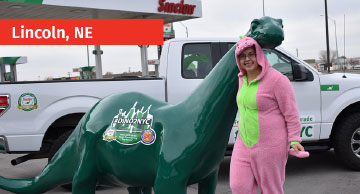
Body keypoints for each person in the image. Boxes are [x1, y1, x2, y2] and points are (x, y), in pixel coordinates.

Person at [229, 36, 306, 194]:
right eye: (242, 56)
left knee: (271, 190)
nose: (247, 59)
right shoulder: (241, 79)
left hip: (270, 147)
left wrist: (294, 140)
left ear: (259, 54)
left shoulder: (277, 80)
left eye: (251, 54)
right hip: (243, 143)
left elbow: (291, 114)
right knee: (239, 186)